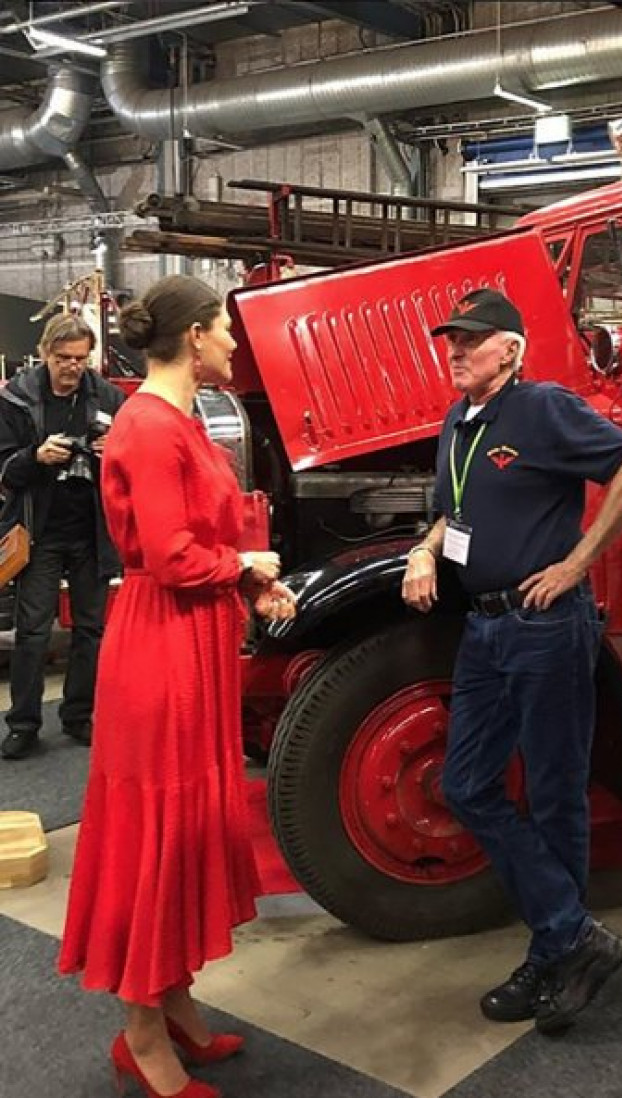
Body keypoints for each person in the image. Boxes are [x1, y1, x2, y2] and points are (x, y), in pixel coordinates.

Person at [58, 275, 297, 1098]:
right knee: (155, 837)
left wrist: (249, 583)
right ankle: (141, 1033)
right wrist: (245, 566)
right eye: (226, 327)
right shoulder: (149, 427)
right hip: (159, 647)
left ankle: (176, 1003)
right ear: (195, 336)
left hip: (186, 639)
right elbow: (171, 555)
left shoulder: (178, 420)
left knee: (185, 826)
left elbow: (202, 540)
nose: (235, 340)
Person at [402, 288, 622, 1033]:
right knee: (467, 784)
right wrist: (425, 546)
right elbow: (457, 506)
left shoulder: (543, 407)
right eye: (451, 340)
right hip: (485, 631)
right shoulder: (459, 420)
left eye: (472, 341)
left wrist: (579, 562)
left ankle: (555, 955)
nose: (456, 351)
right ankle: (571, 935)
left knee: (553, 795)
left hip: (546, 625)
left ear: (510, 350)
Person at [0, 314, 126, 760]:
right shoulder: (17, 399)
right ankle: (23, 724)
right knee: (32, 633)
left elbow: (131, 466)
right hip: (38, 533)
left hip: (92, 533)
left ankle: (78, 716)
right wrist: (35, 456)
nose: (72, 367)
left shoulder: (108, 397)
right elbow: (6, 472)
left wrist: (113, 453)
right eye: (63, 359)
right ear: (45, 352)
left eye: (80, 359)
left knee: (90, 629)